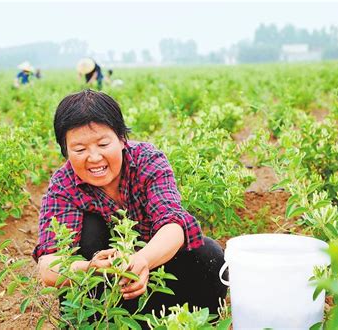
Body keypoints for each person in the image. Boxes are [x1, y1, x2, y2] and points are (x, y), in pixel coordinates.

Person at [33, 89, 228, 316]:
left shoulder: (146, 160)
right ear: (65, 151)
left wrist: (141, 260)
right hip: (106, 296)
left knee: (207, 255)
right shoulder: (63, 184)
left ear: (122, 139)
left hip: (158, 275)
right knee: (89, 231)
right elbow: (48, 266)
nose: (94, 157)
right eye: (80, 149)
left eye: (103, 144)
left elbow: (174, 224)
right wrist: (92, 269)